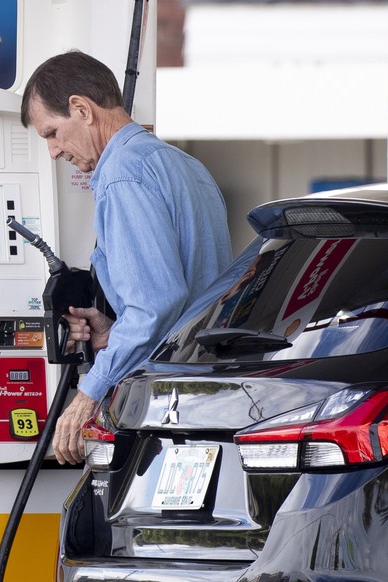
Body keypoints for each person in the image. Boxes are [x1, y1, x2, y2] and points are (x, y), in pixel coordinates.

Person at [21, 50, 233, 464]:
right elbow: (186, 296)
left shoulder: (123, 176)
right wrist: (112, 332)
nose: (53, 150)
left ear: (81, 109)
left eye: (52, 133)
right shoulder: (183, 164)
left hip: (169, 407)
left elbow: (155, 305)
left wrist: (89, 393)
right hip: (206, 396)